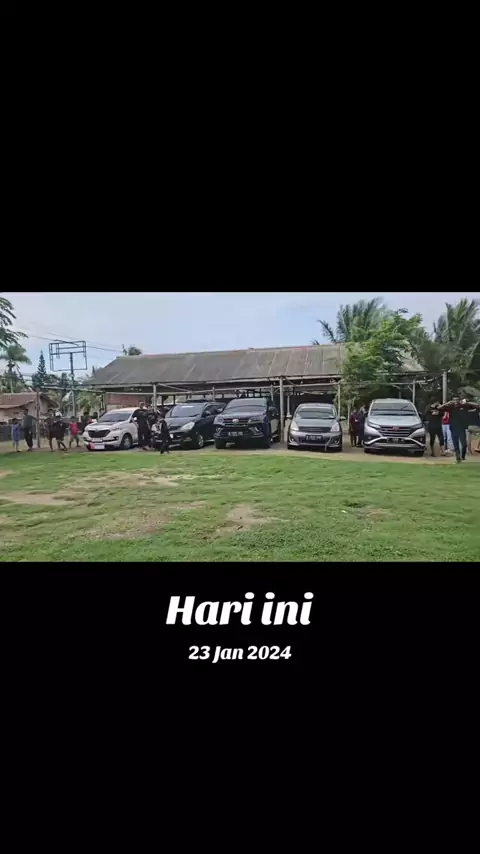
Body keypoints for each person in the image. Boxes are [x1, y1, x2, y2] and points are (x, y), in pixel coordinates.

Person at [439, 396, 480, 463]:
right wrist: (447, 403)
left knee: (464, 444)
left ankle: (462, 456)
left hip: (461, 428)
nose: (455, 401)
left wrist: (467, 402)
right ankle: (458, 458)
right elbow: (439, 408)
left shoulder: (464, 406)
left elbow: (477, 405)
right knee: (456, 444)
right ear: (452, 401)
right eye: (454, 400)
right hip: (453, 428)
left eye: (457, 400)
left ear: (459, 400)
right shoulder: (450, 407)